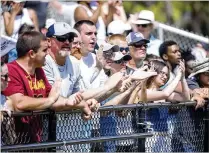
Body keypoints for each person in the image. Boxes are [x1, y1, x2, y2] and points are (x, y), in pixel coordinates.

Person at [2, 31, 92, 143]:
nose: (48, 53)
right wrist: (50, 100)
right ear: (31, 54)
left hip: (36, 142)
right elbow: (18, 103)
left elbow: (53, 98)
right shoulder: (11, 70)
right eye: (44, 50)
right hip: (16, 144)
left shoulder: (38, 70)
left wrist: (72, 102)